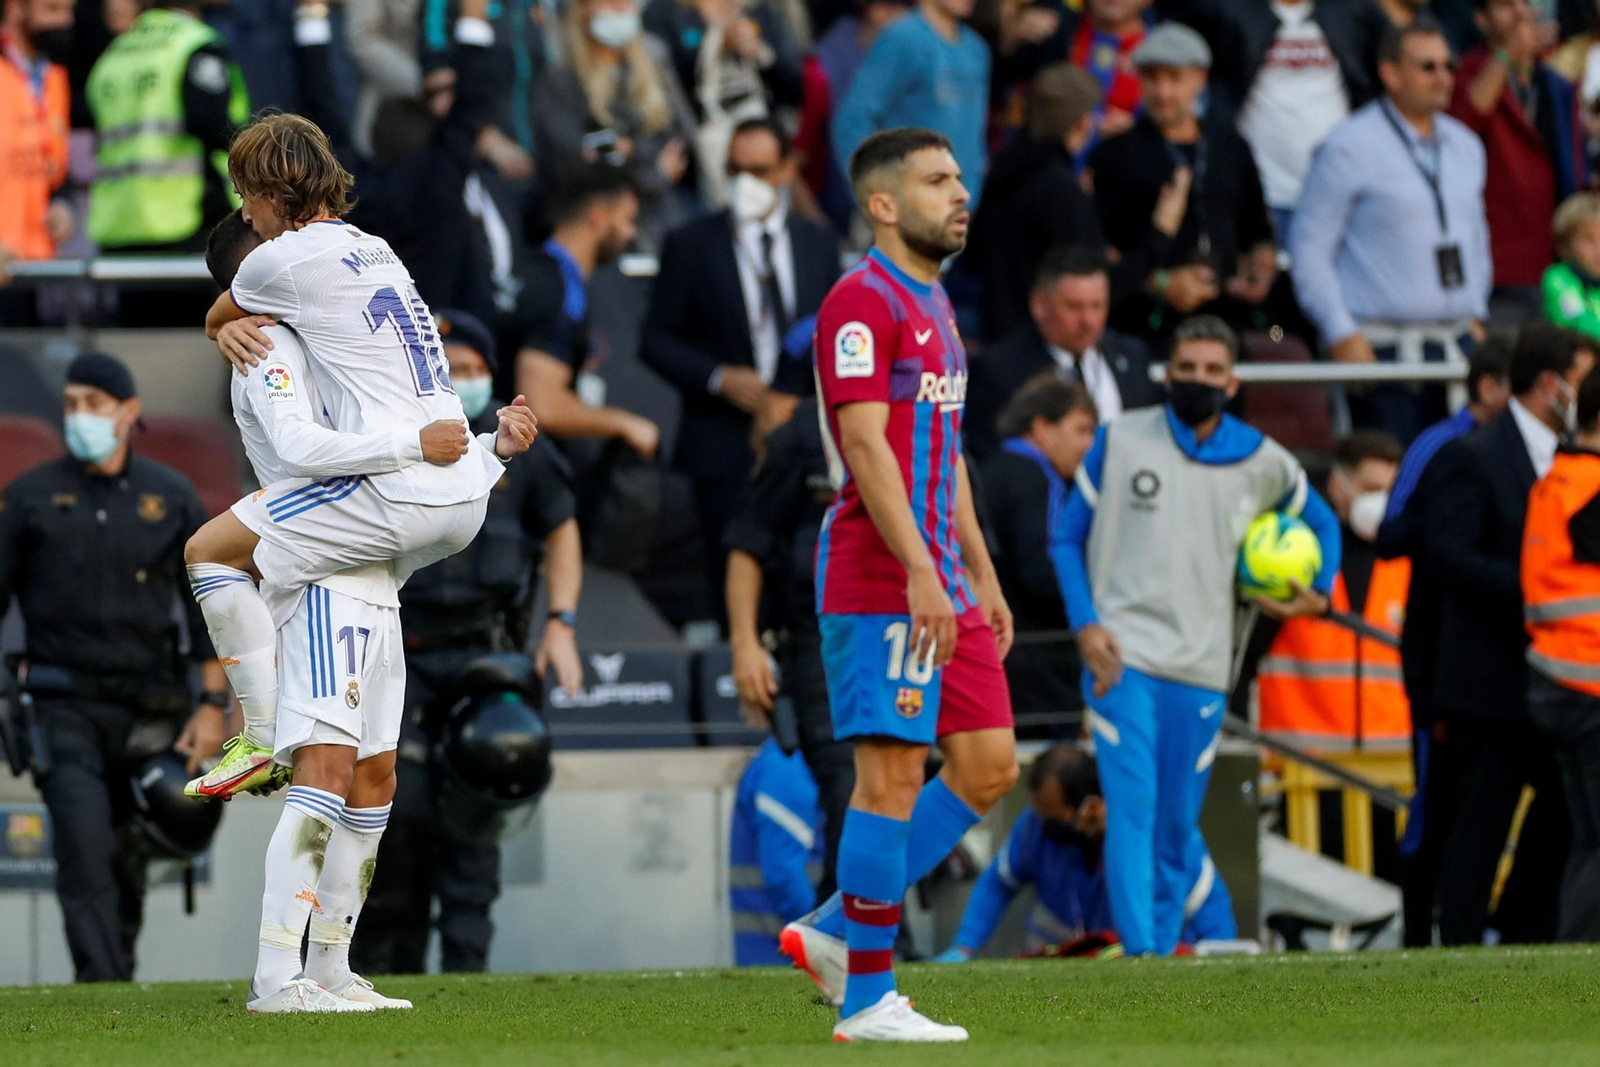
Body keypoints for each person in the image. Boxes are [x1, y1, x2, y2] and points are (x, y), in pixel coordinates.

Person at [186, 110, 538, 800]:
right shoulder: (375, 246)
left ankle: (260, 731)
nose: (246, 212)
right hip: (451, 492)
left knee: (211, 551)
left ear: (266, 190)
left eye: (245, 194)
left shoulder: (275, 263)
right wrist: (492, 449)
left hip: (379, 488)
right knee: (371, 778)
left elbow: (224, 324)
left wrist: (220, 328)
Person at [780, 127, 1019, 1043]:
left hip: (941, 575)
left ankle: (840, 927)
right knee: (889, 774)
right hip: (882, 573)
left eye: (957, 177)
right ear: (883, 204)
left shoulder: (936, 304)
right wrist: (921, 569)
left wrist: (977, 572)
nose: (959, 193)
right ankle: (868, 999)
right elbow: (868, 446)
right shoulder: (859, 302)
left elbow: (942, 452)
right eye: (935, 180)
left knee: (991, 762)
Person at [1050, 314, 1342, 957]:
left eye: (1213, 371)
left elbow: (1322, 522)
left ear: (1233, 381)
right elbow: (1067, 537)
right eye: (1187, 369)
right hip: (1120, 658)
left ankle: (1155, 947)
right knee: (1133, 808)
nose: (1199, 380)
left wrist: (1317, 592)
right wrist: (1086, 624)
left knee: (1177, 825)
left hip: (1205, 665)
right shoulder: (1120, 440)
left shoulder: (1263, 460)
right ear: (1167, 374)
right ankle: (1143, 956)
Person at [196, 213, 419, 1012]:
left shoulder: (315, 333)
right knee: (325, 766)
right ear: (254, 275)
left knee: (374, 772)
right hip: (325, 571)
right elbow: (299, 457)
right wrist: (411, 448)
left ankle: (329, 964)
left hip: (375, 568)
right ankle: (274, 977)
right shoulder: (268, 346)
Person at [352, 310, 583, 977]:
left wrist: (561, 620)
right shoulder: (392, 447)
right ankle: (380, 974)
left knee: (478, 821)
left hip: (486, 662)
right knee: (393, 822)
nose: (466, 380)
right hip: (403, 656)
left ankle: (466, 981)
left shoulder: (525, 457)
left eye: (477, 367)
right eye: (451, 368)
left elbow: (562, 528)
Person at [0, 353, 229, 982]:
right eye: (71, 403)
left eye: (94, 404)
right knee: (83, 846)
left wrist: (211, 708)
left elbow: (206, 607)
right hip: (61, 701)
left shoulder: (171, 495)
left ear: (129, 412)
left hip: (150, 706)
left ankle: (114, 984)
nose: (80, 416)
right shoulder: (30, 496)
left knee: (128, 854)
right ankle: (99, 984)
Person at [1420, 322, 1591, 946]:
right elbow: (1446, 554)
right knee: (1481, 827)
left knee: (1561, 822)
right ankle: (1459, 948)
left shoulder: (1569, 462)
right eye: (1581, 377)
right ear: (1551, 383)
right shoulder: (1473, 454)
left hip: (1553, 680)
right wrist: (1534, 587)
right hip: (1488, 684)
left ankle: (1526, 934)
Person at [643, 119, 840, 625]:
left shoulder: (816, 242)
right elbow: (656, 339)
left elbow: (835, 332)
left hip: (804, 434)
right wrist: (719, 378)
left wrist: (794, 399)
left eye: (759, 169)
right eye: (736, 168)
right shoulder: (690, 242)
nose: (745, 180)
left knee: (807, 576)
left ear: (786, 170)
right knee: (731, 577)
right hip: (723, 440)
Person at [1291, 16, 1492, 444]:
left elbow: (1475, 237)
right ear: (1390, 72)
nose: (1443, 78)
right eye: (1428, 67)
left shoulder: (1465, 145)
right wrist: (1340, 330)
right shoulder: (1349, 145)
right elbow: (1308, 249)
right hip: (1380, 352)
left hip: (1456, 346)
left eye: (1448, 66)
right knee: (1386, 487)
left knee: (1458, 484)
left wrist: (1476, 309)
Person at [1373, 338, 1510, 947]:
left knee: (1465, 803)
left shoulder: (1507, 452)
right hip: (1436, 653)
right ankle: (1416, 937)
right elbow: (1391, 534)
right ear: (1489, 388)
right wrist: (1455, 515)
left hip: (1480, 652)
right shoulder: (1441, 447)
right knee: (1434, 798)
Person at [931, 744, 1236, 959]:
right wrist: (964, 947)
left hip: (1137, 959)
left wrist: (1219, 960)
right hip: (1063, 960)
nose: (1045, 825)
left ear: (1091, 807)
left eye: (1054, 818)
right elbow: (998, 883)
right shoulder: (1035, 826)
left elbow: (1209, 903)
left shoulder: (1154, 829)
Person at [725, 396, 851, 900]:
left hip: (902, 635)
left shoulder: (920, 423)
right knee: (848, 780)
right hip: (818, 639)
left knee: (899, 783)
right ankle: (849, 930)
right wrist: (745, 645)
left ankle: (879, 925)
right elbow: (747, 547)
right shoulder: (798, 442)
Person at [1087, 23, 1277, 348]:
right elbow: (1099, 251)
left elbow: (1258, 229)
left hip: (1226, 321)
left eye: (1174, 78)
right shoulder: (1114, 154)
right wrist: (1158, 283)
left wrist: (1260, 267)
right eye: (1151, 78)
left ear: (1199, 80)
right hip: (1144, 326)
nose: (1163, 92)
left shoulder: (1230, 147)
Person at [84, 0, 249, 324]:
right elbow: (210, 124)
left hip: (121, 228)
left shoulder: (115, 53)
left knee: (141, 347)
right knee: (192, 349)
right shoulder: (193, 44)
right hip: (183, 224)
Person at [1174, 0, 1387, 240]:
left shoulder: (1352, 10)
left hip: (1338, 196)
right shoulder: (1228, 10)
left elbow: (1386, 78)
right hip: (1260, 196)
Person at [1258, 431, 1410, 752]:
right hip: (1304, 769)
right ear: (1337, 486)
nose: (1382, 501)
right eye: (1371, 489)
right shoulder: (1294, 561)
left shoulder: (1409, 564)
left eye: (1391, 492)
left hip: (1391, 768)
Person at [1449, 0, 1587, 327]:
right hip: (1497, 264)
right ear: (1482, 20)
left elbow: (1574, 168)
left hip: (1555, 264)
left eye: (1524, 2)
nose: (1519, 12)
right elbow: (1462, 127)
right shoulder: (1464, 70)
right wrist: (1503, 55)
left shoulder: (1556, 83)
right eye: (1504, 4)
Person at [1523, 366, 1600, 942]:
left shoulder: (1559, 478)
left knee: (1589, 840)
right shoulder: (1592, 489)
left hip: (1558, 679)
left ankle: (1576, 954)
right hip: (1591, 682)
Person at [512, 165, 659, 461]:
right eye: (628, 220)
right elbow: (541, 405)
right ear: (598, 218)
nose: (631, 233)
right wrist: (624, 423)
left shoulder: (534, 266)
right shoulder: (563, 289)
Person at [978, 377, 1098, 737]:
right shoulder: (1037, 480)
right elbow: (1042, 572)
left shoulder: (989, 470)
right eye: (1081, 430)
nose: (1089, 445)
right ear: (1043, 427)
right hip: (1037, 673)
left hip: (997, 659)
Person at [531, 0, 697, 253]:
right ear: (583, 10)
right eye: (610, 1)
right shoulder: (561, 81)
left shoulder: (652, 69)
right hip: (602, 233)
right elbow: (571, 159)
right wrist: (650, 171)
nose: (622, 7)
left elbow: (680, 139)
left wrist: (632, 153)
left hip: (662, 222)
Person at [966, 246, 1161, 459]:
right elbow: (991, 457)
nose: (1088, 321)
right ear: (1038, 304)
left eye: (1097, 306)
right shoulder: (997, 371)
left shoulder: (1133, 356)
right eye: (1074, 307)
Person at [965, 64, 1106, 344]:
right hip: (1043, 344)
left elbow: (973, 257)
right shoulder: (1062, 190)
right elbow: (1087, 272)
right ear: (1082, 123)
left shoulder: (1002, 170)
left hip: (995, 335)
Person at [830, 0, 991, 208]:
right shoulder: (902, 38)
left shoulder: (976, 50)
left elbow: (974, 134)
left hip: (956, 209)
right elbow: (853, 118)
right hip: (906, 209)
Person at [730, 736, 827, 965]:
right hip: (787, 959)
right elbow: (785, 874)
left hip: (775, 955)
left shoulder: (786, 760)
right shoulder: (787, 764)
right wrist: (828, 945)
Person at [991, 0, 1150, 135]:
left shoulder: (1163, 52)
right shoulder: (1053, 29)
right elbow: (997, 91)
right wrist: (1010, 39)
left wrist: (1137, 134)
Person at [0, 0, 72, 267]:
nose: (65, 21)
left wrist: (61, 202)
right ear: (16, 9)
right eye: (52, 9)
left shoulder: (54, 77)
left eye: (69, 10)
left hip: (33, 260)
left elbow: (53, 163)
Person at [1543, 192, 1600, 340]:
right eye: (1589, 240)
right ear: (1565, 246)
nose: (1598, 249)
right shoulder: (1557, 278)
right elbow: (1577, 324)